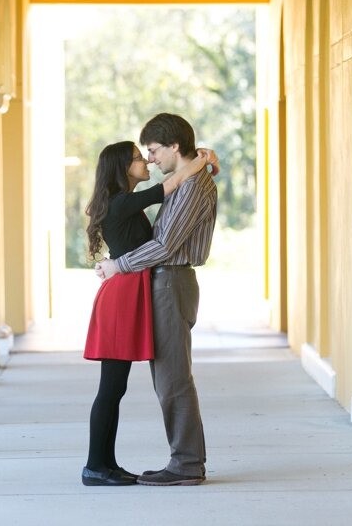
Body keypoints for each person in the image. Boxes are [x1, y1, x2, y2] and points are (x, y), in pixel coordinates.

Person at [81, 139, 217, 486]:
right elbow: (169, 186)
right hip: (122, 296)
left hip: (129, 292)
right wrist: (201, 159)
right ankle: (96, 466)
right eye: (138, 158)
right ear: (122, 168)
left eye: (147, 154)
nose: (146, 161)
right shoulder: (124, 202)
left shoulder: (125, 204)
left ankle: (105, 464)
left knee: (115, 387)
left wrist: (205, 162)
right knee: (111, 388)